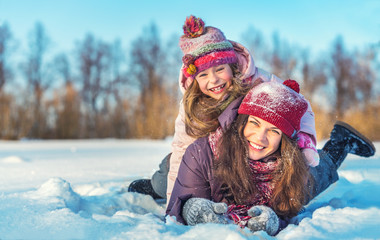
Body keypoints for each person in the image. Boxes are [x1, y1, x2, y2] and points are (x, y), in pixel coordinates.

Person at [128, 15, 319, 201]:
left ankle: (337, 146)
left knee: (308, 182)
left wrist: (305, 139)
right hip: (202, 160)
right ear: (194, 79)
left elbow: (300, 104)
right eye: (203, 75)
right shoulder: (193, 104)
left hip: (249, 156)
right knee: (168, 180)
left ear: (232, 66)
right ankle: (155, 184)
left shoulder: (259, 82)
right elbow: (182, 148)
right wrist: (172, 204)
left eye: (220, 69)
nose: (214, 80)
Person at [165, 80, 376, 236]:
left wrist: (275, 222)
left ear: (284, 139)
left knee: (319, 172)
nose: (260, 137)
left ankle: (341, 142)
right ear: (242, 122)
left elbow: (288, 211)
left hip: (293, 168)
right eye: (254, 123)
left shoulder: (291, 167)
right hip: (197, 164)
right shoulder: (203, 154)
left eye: (274, 131)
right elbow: (179, 203)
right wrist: (190, 209)